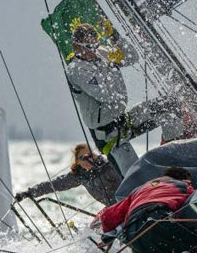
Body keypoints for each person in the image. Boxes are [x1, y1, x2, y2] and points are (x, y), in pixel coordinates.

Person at [67, 20, 189, 174]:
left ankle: (173, 164)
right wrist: (112, 66)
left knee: (170, 106)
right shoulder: (76, 70)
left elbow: (133, 57)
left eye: (97, 44)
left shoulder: (100, 53)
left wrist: (114, 37)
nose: (95, 50)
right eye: (90, 46)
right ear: (77, 47)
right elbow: (107, 96)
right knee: (136, 178)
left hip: (122, 120)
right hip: (107, 134)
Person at [95, 166, 197, 253]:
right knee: (188, 238)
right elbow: (196, 204)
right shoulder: (183, 186)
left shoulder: (138, 190)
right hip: (158, 218)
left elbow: (107, 215)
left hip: (133, 235)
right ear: (185, 180)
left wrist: (107, 237)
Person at [15, 143, 121, 206]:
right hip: (111, 208)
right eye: (82, 158)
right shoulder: (80, 176)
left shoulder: (109, 165)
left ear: (95, 156)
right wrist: (29, 193)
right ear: (77, 162)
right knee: (93, 229)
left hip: (127, 202)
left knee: (107, 220)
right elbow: (53, 185)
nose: (87, 160)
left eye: (89, 156)